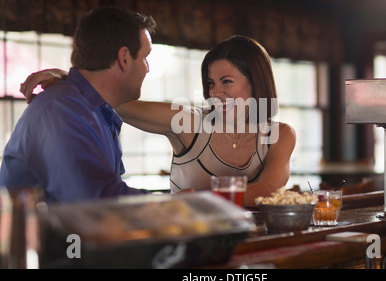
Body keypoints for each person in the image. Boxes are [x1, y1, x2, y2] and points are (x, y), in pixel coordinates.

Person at [19, 35, 296, 207]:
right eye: (211, 83)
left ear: (256, 82)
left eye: (227, 82)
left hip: (251, 245)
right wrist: (73, 81)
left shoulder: (280, 134)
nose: (215, 93)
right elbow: (115, 100)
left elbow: (269, 190)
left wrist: (201, 198)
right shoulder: (187, 121)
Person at [0, 6, 156, 203]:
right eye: (145, 57)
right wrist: (174, 206)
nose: (148, 69)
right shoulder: (62, 108)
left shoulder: (95, 110)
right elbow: (98, 203)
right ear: (124, 58)